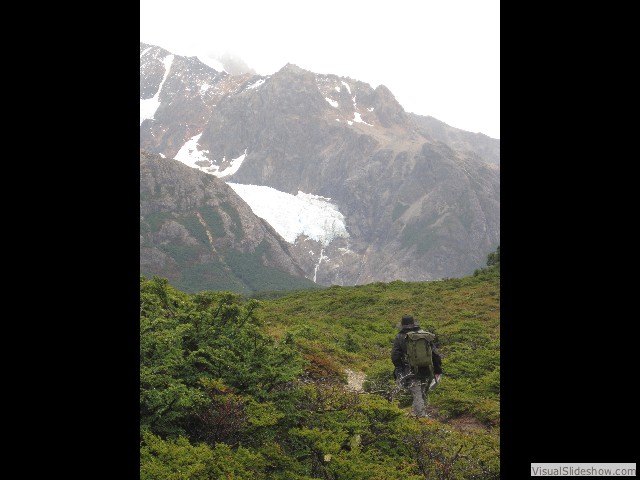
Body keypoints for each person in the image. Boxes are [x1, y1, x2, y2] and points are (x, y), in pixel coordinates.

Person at [391, 314, 442, 418]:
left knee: (417, 394)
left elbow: (395, 356)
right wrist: (438, 371)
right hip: (427, 369)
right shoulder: (424, 335)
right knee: (423, 393)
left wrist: (399, 371)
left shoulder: (400, 337)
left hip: (410, 371)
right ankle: (419, 416)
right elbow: (435, 354)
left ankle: (422, 420)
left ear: (403, 325)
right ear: (414, 324)